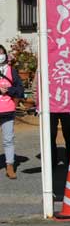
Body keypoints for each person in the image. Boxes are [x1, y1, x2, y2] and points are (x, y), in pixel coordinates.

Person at [0, 45, 24, 179]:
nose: (0, 55)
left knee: (8, 140)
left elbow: (20, 90)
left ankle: (10, 165)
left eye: (2, 53)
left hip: (7, 111)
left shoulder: (11, 71)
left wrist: (8, 90)